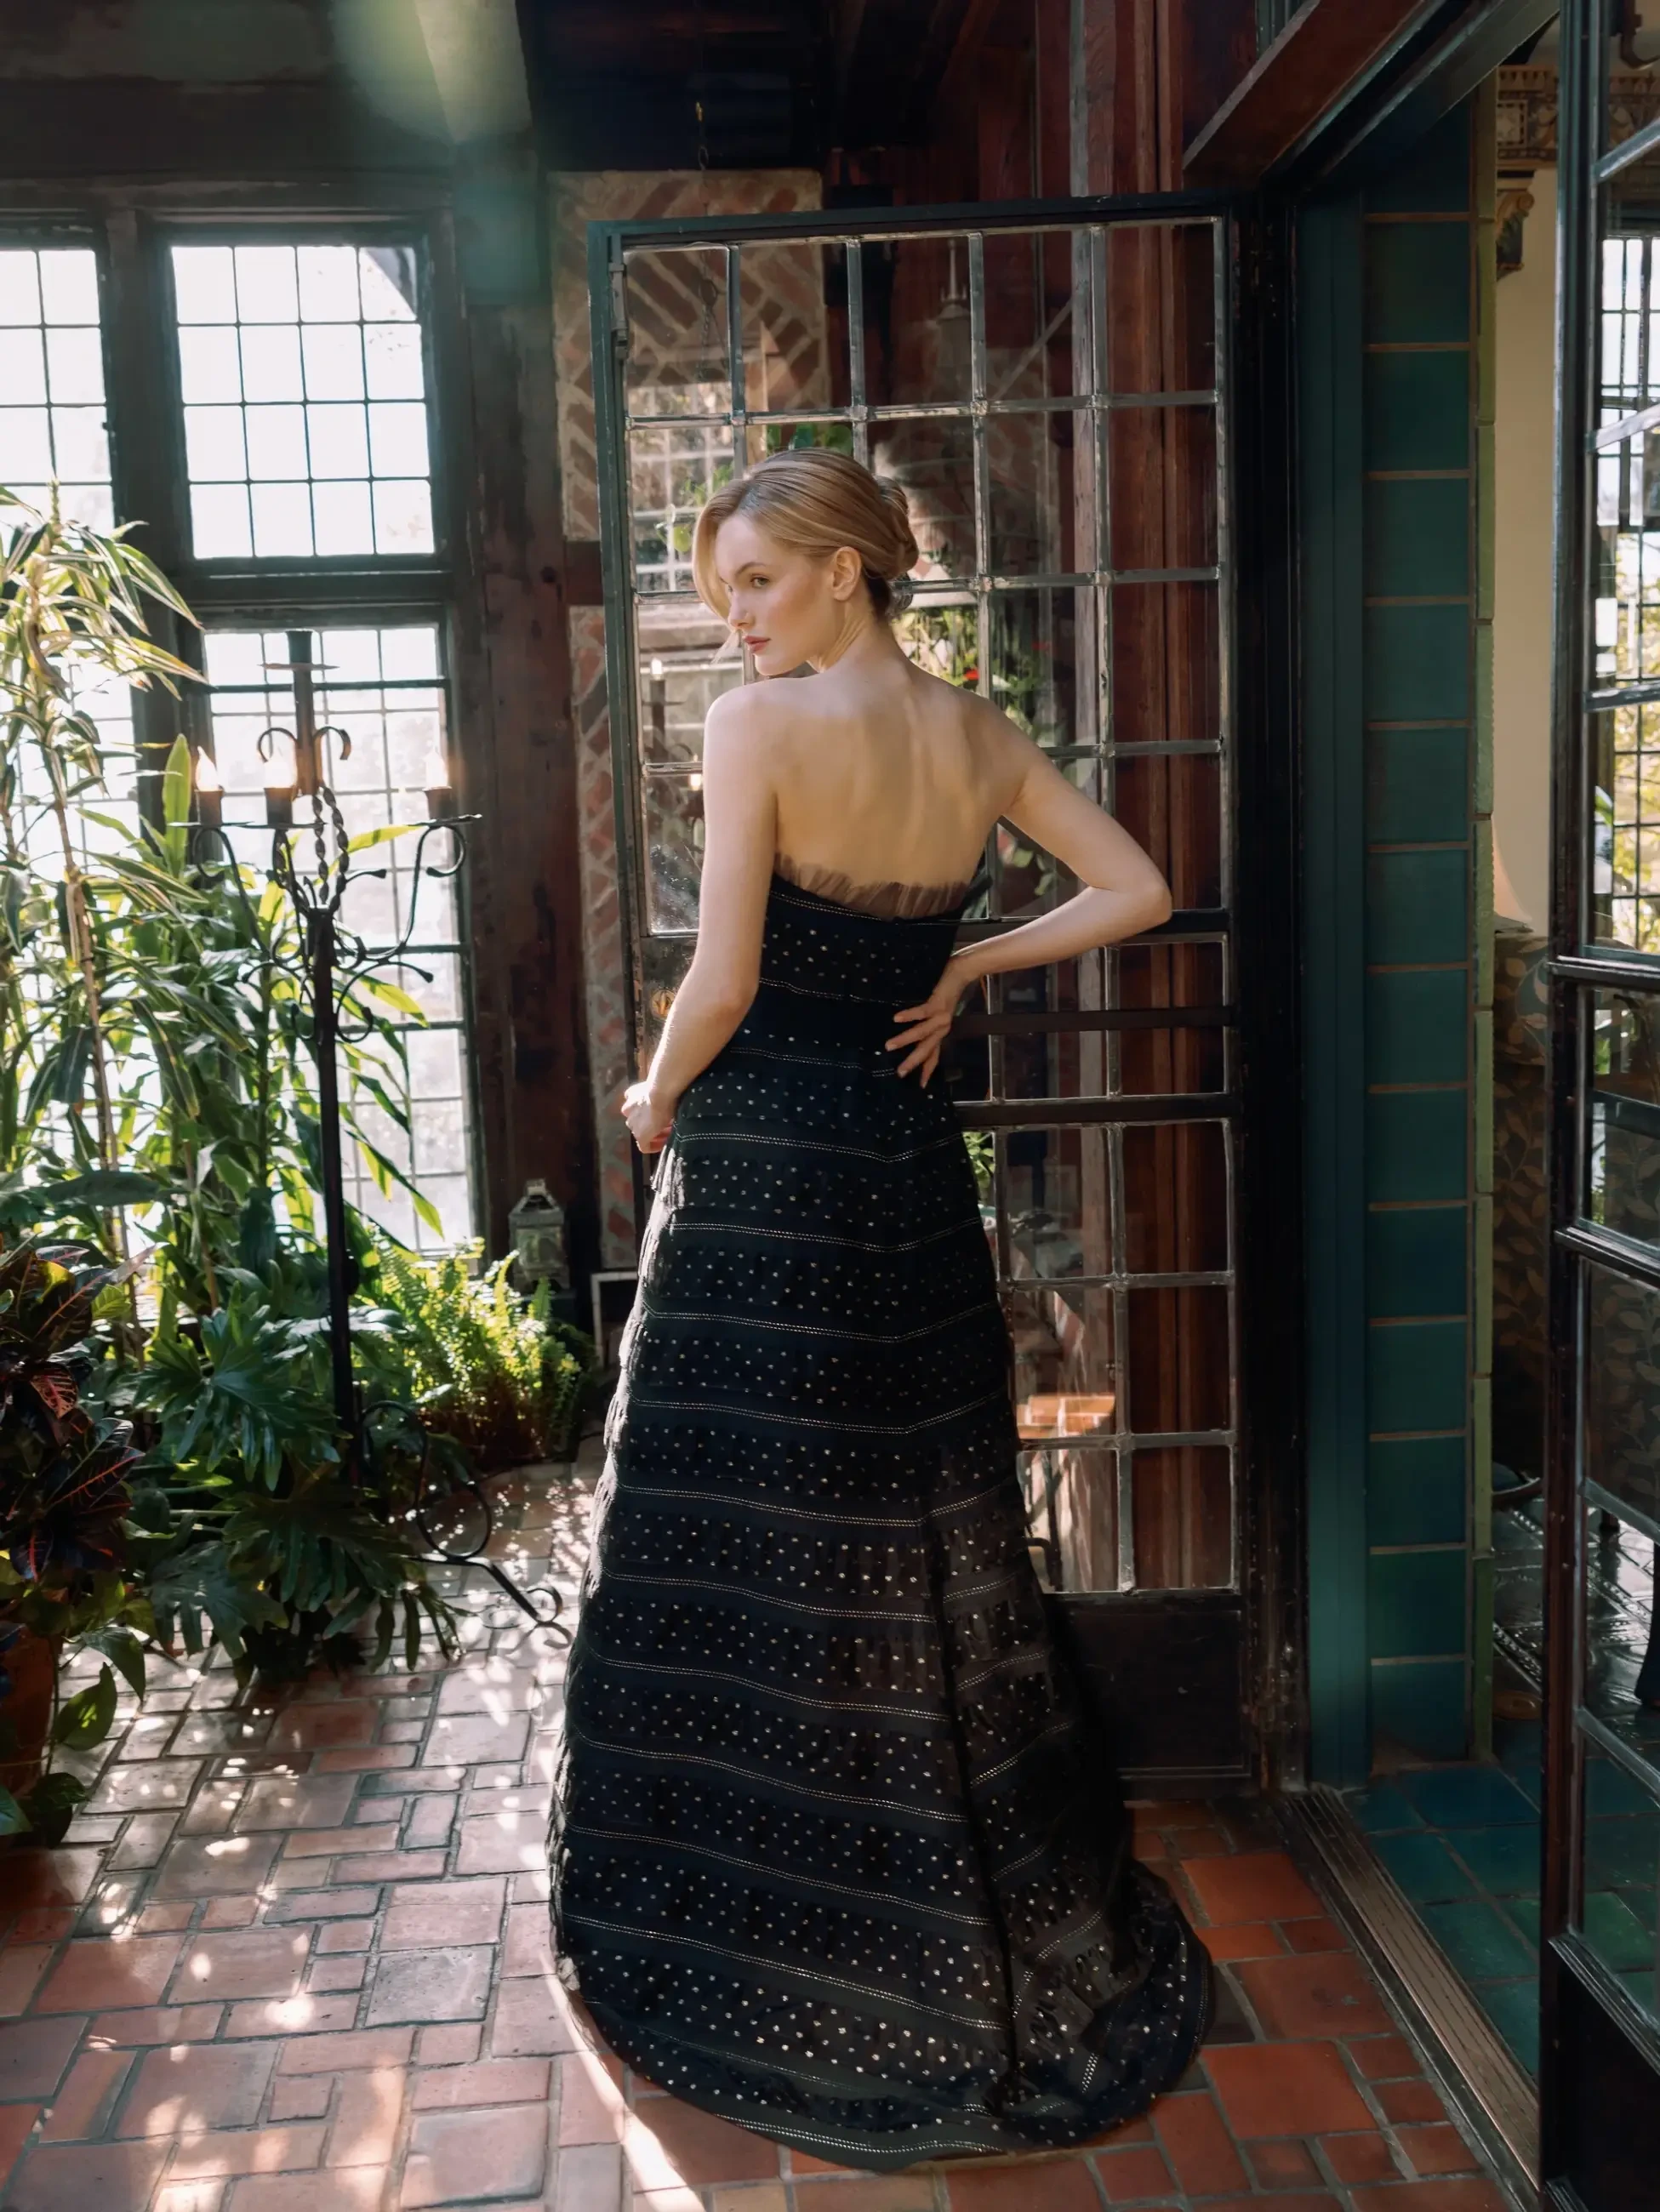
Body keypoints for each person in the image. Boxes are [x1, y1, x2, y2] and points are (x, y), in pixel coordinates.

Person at [549, 448, 1212, 2170]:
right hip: (910, 1170)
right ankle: (912, 1876)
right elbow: (1137, 885)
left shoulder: (760, 729)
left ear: (847, 569)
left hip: (767, 1160)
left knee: (755, 1514)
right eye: (726, 597)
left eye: (757, 583)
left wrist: (643, 1097)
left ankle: (782, 1900)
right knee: (910, 1511)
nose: (740, 621)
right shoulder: (976, 738)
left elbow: (727, 975)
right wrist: (966, 964)